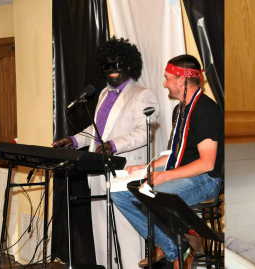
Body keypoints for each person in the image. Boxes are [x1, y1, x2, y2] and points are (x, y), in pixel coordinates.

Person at [52, 37, 160, 267]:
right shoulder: (103, 93)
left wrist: (114, 144)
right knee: (101, 232)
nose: (113, 70)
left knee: (127, 232)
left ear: (130, 66)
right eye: (108, 65)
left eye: (118, 64)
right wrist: (73, 140)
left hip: (124, 171)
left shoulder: (142, 94)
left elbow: (145, 132)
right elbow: (97, 130)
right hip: (97, 170)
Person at [110, 54, 224, 269]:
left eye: (167, 78)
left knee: (149, 194)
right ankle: (174, 246)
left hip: (206, 180)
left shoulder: (206, 111)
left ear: (181, 80)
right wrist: (145, 168)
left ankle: (173, 250)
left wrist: (164, 176)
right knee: (119, 193)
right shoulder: (179, 110)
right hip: (182, 174)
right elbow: (174, 154)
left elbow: (207, 164)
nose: (164, 84)